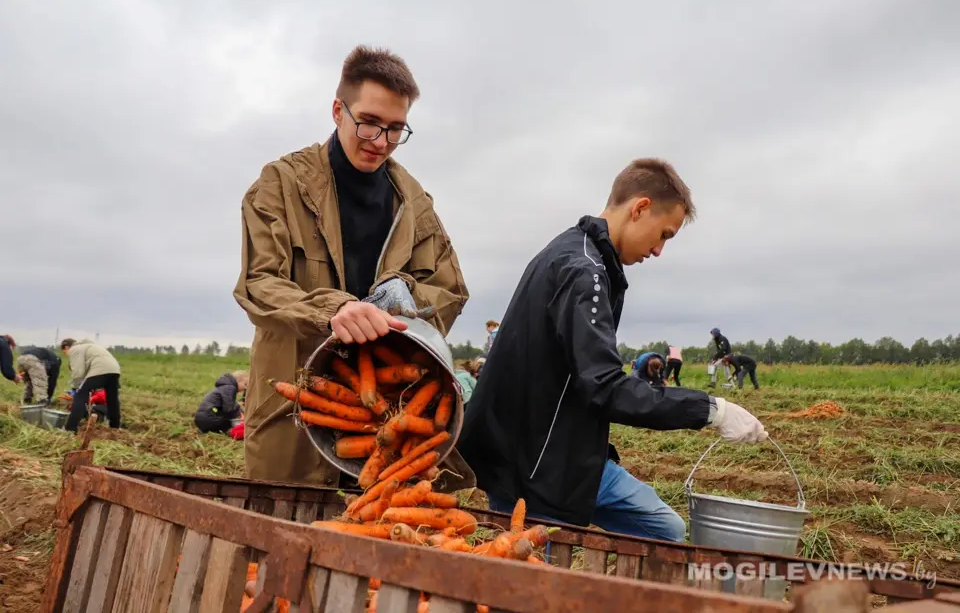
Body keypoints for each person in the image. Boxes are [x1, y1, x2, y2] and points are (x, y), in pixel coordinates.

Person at [457, 158, 768, 543]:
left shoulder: (573, 254)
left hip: (554, 453)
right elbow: (604, 386)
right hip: (539, 469)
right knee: (531, 582)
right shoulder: (583, 270)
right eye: (664, 234)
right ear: (639, 208)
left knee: (665, 529)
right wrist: (710, 410)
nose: (658, 251)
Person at [233, 45, 469, 486]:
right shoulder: (280, 184)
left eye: (396, 129)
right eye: (369, 123)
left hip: (390, 413)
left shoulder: (414, 203)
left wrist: (407, 297)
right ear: (338, 110)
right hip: (300, 409)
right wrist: (334, 311)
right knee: (285, 536)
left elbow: (450, 288)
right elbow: (258, 284)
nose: (381, 142)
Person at [60, 338, 122, 432]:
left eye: (65, 352)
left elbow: (78, 371)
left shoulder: (75, 349)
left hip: (100, 368)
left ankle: (70, 428)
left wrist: (76, 388)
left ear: (67, 347)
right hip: (115, 369)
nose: (66, 354)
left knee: (81, 395)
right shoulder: (90, 346)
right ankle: (115, 426)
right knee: (112, 398)